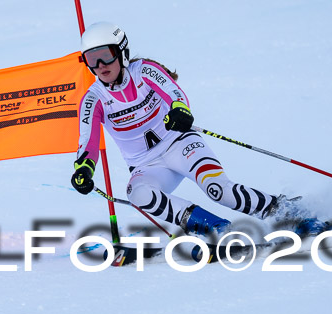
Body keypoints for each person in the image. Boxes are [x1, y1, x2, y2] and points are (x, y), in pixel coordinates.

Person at [70, 21, 303, 236]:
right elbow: (87, 140)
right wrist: (83, 169)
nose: (100, 66)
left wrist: (179, 110)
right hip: (146, 164)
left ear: (122, 52)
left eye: (106, 56)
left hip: (180, 144)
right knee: (138, 194)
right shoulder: (93, 99)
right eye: (92, 59)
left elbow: (174, 93)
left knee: (218, 190)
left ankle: (286, 211)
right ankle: (218, 230)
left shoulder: (143, 71)